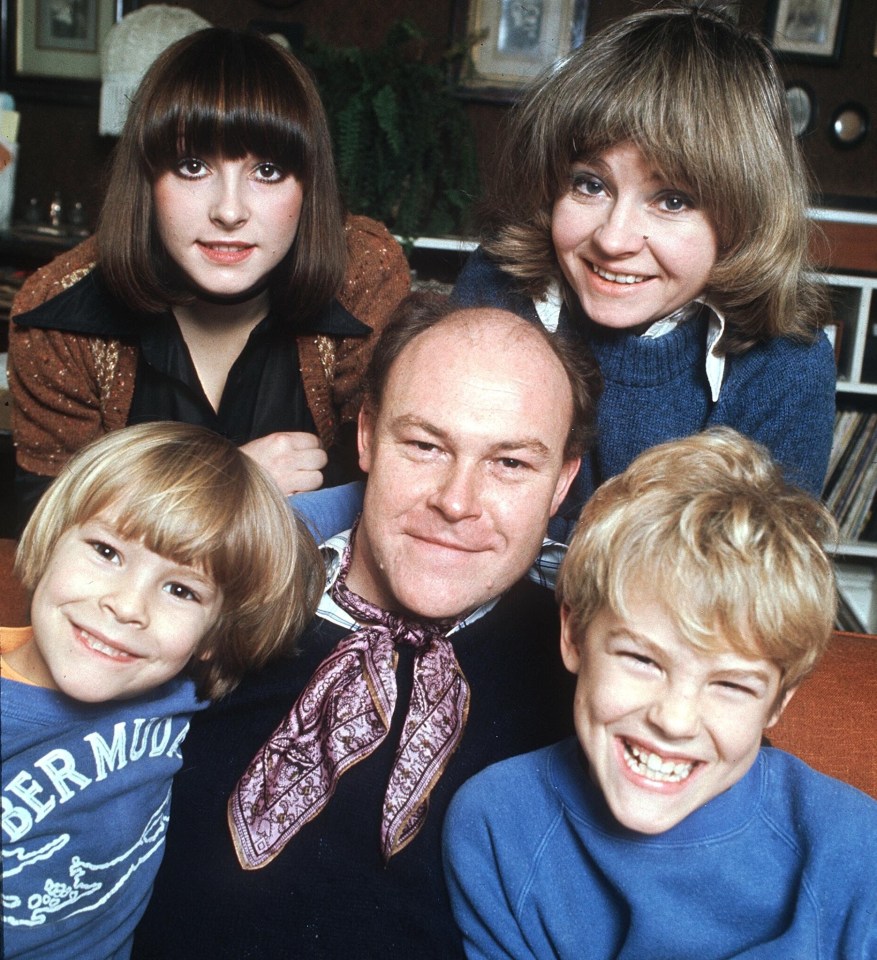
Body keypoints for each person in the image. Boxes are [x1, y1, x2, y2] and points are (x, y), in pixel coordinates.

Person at [131, 294, 603, 959]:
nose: (456, 501)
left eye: (510, 463)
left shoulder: (595, 678)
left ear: (560, 482)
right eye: (423, 444)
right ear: (366, 436)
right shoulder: (212, 602)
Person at [443, 427, 877, 959]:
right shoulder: (498, 823)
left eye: (732, 685)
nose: (674, 719)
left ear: (780, 701)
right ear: (574, 637)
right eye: (642, 660)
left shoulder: (856, 849)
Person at [451, 4, 836, 538]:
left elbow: (750, 590)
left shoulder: (788, 363)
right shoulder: (497, 283)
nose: (612, 239)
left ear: (744, 216)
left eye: (673, 200)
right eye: (590, 184)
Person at [8, 27, 410, 528]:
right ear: (148, 179)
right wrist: (225, 481)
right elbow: (49, 528)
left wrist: (144, 504)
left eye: (267, 171)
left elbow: (395, 492)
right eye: (192, 166)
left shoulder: (361, 276)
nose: (229, 211)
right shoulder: (58, 314)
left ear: (309, 184)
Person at [1, 421, 322, 960]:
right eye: (105, 552)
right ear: (51, 537)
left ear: (213, 637)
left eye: (180, 590)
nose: (127, 607)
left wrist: (227, 492)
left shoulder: (174, 682)